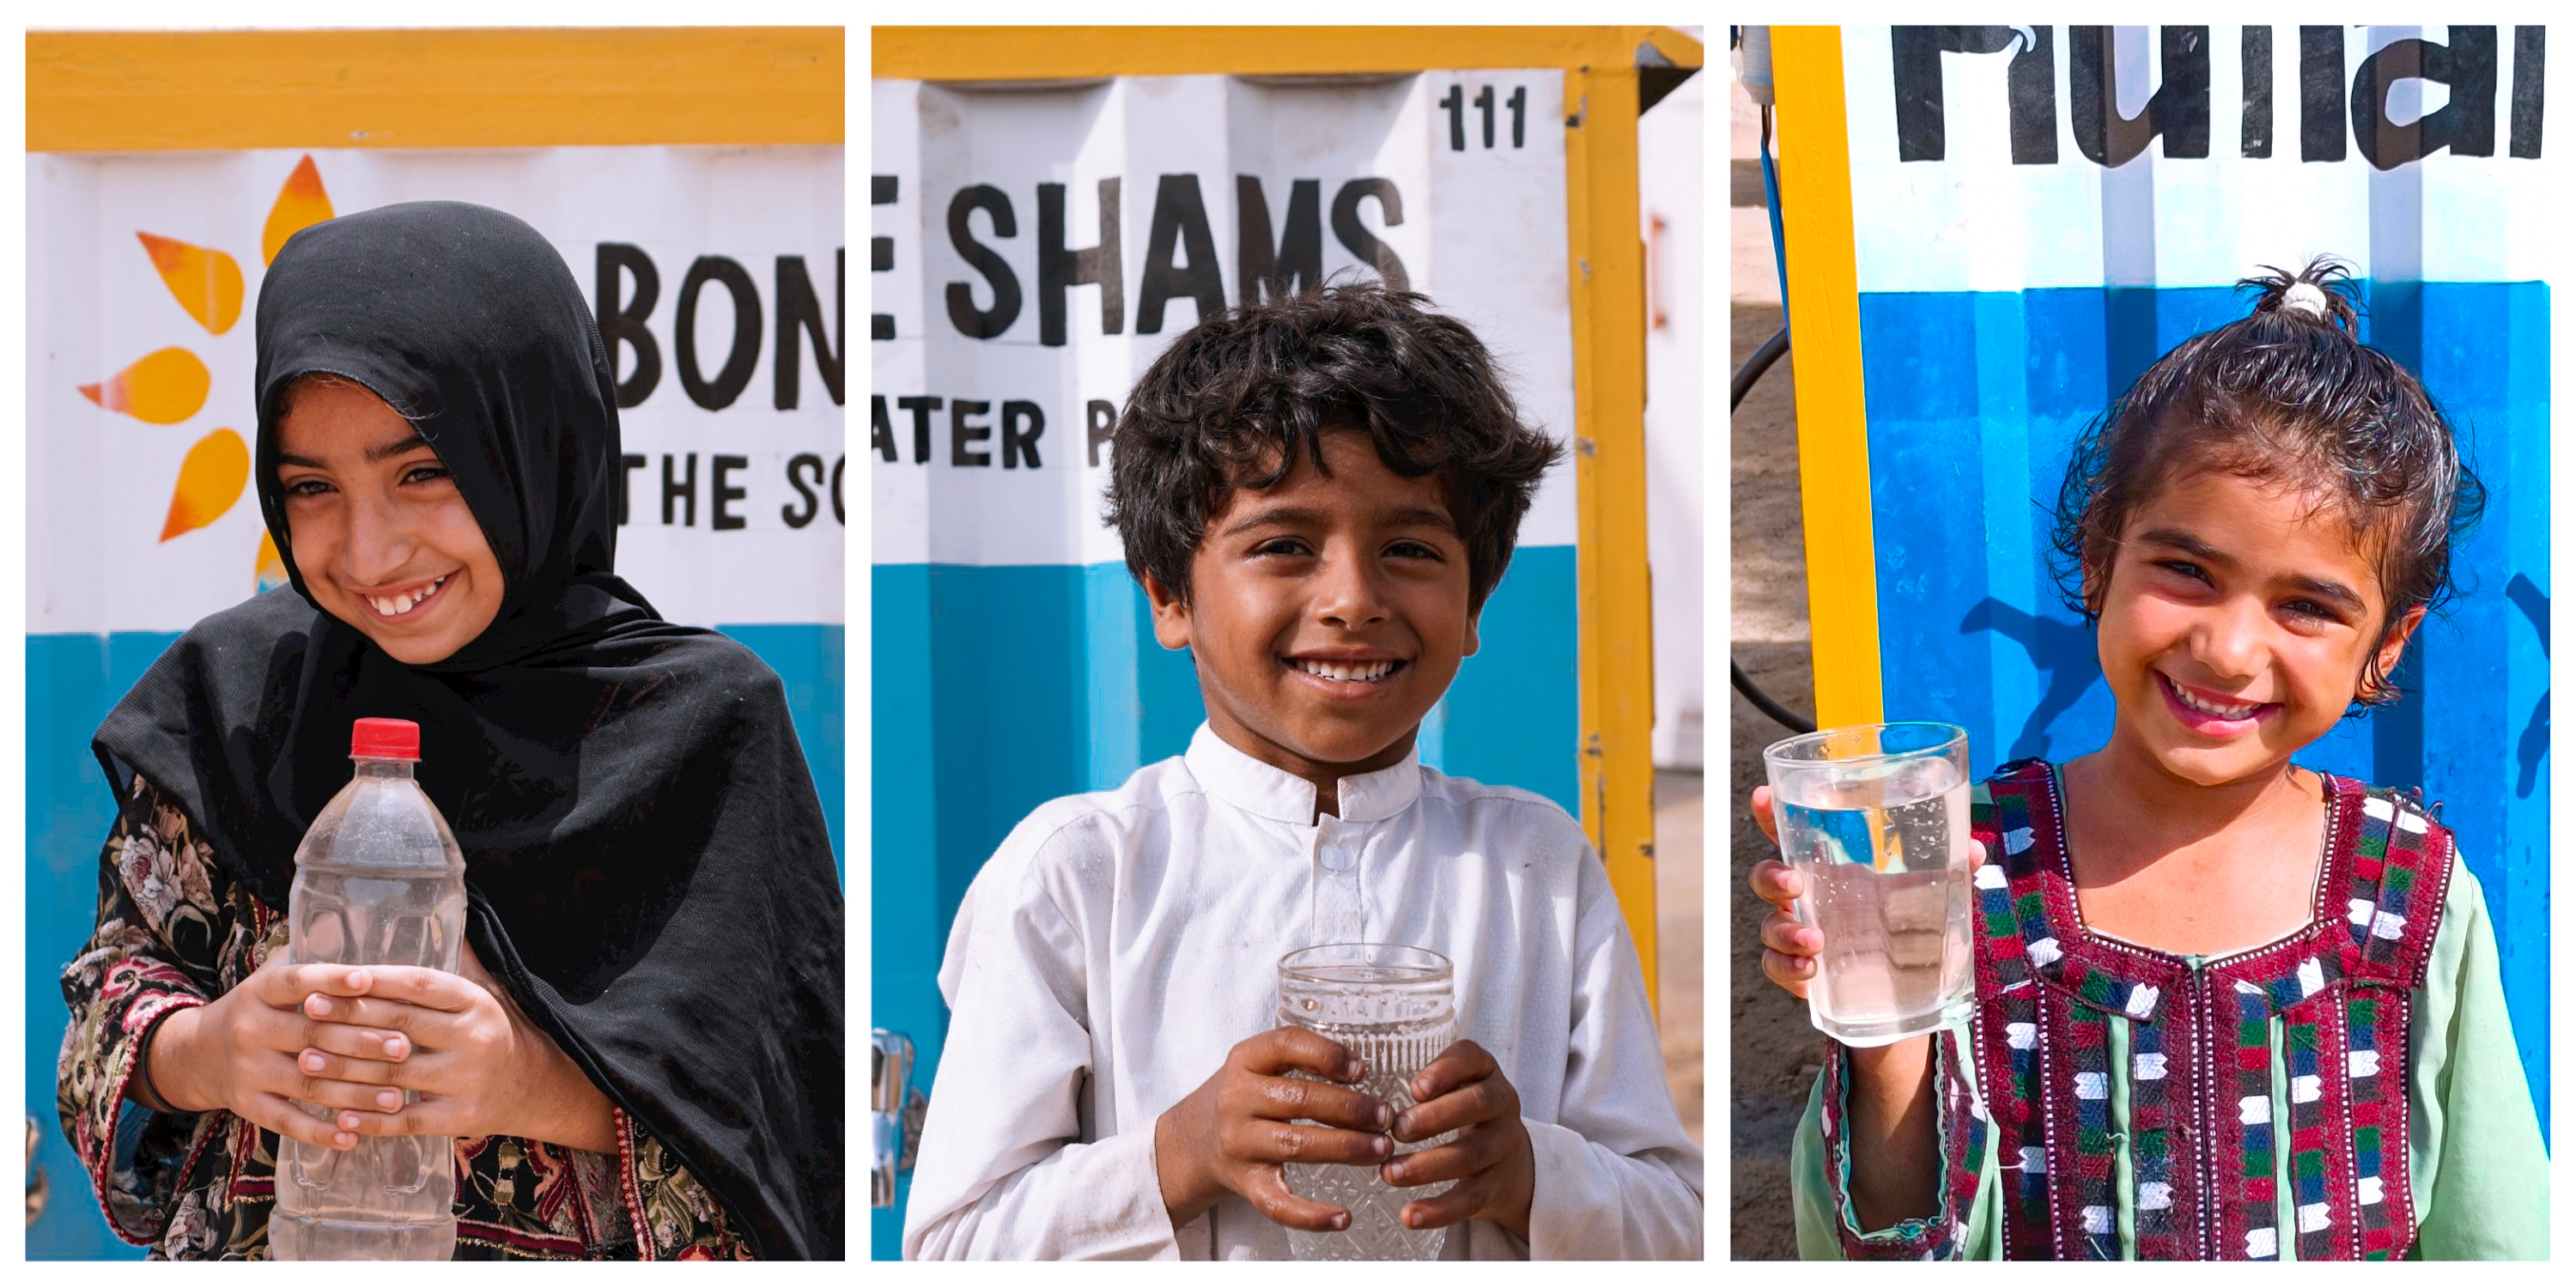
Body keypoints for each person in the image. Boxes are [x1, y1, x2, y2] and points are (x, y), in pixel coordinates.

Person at [57, 201, 845, 1260]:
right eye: (311, 489)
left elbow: (790, 1136)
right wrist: (210, 1049)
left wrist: (535, 1085)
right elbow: (107, 1008)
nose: (371, 553)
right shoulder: (241, 699)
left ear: (534, 444)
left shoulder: (702, 735)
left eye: (422, 471)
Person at [1748, 259, 2549, 1260]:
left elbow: (2498, 1239)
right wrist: (1886, 1009)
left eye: (2305, 606)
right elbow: (1893, 1250)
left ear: (2386, 643)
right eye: (2185, 571)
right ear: (2099, 558)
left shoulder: (2411, 890)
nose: (2226, 649)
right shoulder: (1962, 863)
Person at [901, 283, 1703, 1259]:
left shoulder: (1535, 863)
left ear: (1476, 601)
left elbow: (1678, 1226)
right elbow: (951, 1244)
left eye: (1410, 548)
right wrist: (1179, 1154)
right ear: (1169, 597)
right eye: (1283, 546)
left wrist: (1531, 1170)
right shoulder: (1080, 875)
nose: (1353, 600)